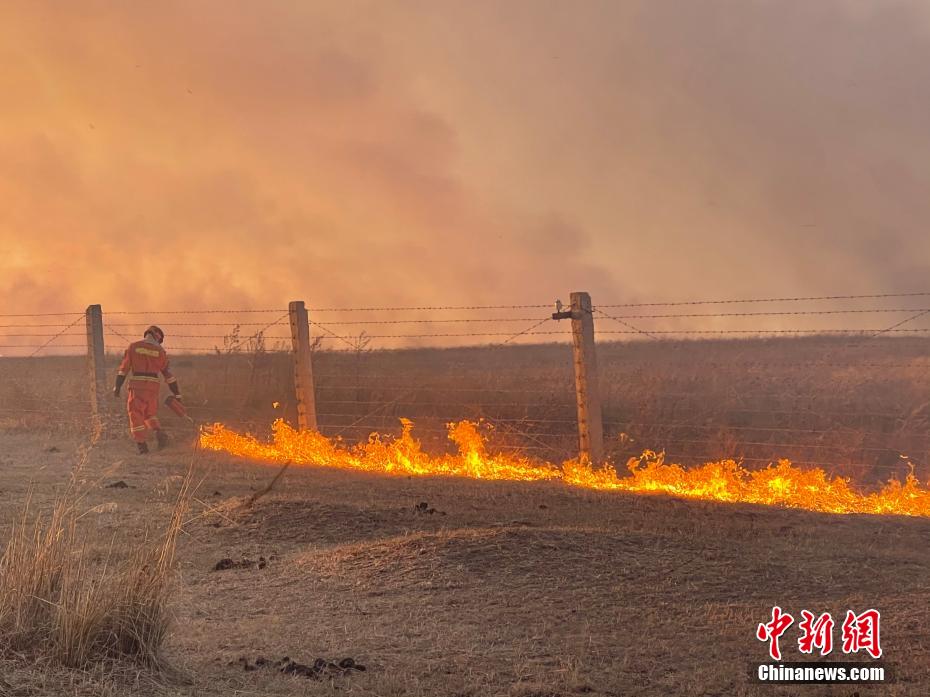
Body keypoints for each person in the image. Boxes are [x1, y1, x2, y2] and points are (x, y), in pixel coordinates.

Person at [113, 325, 181, 454]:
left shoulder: (133, 347)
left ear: (147, 334)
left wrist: (117, 386)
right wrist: (177, 394)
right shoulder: (161, 352)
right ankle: (159, 432)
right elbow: (169, 376)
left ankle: (142, 446)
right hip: (153, 388)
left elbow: (124, 370)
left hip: (137, 386)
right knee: (149, 414)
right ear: (158, 338)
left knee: (135, 414)